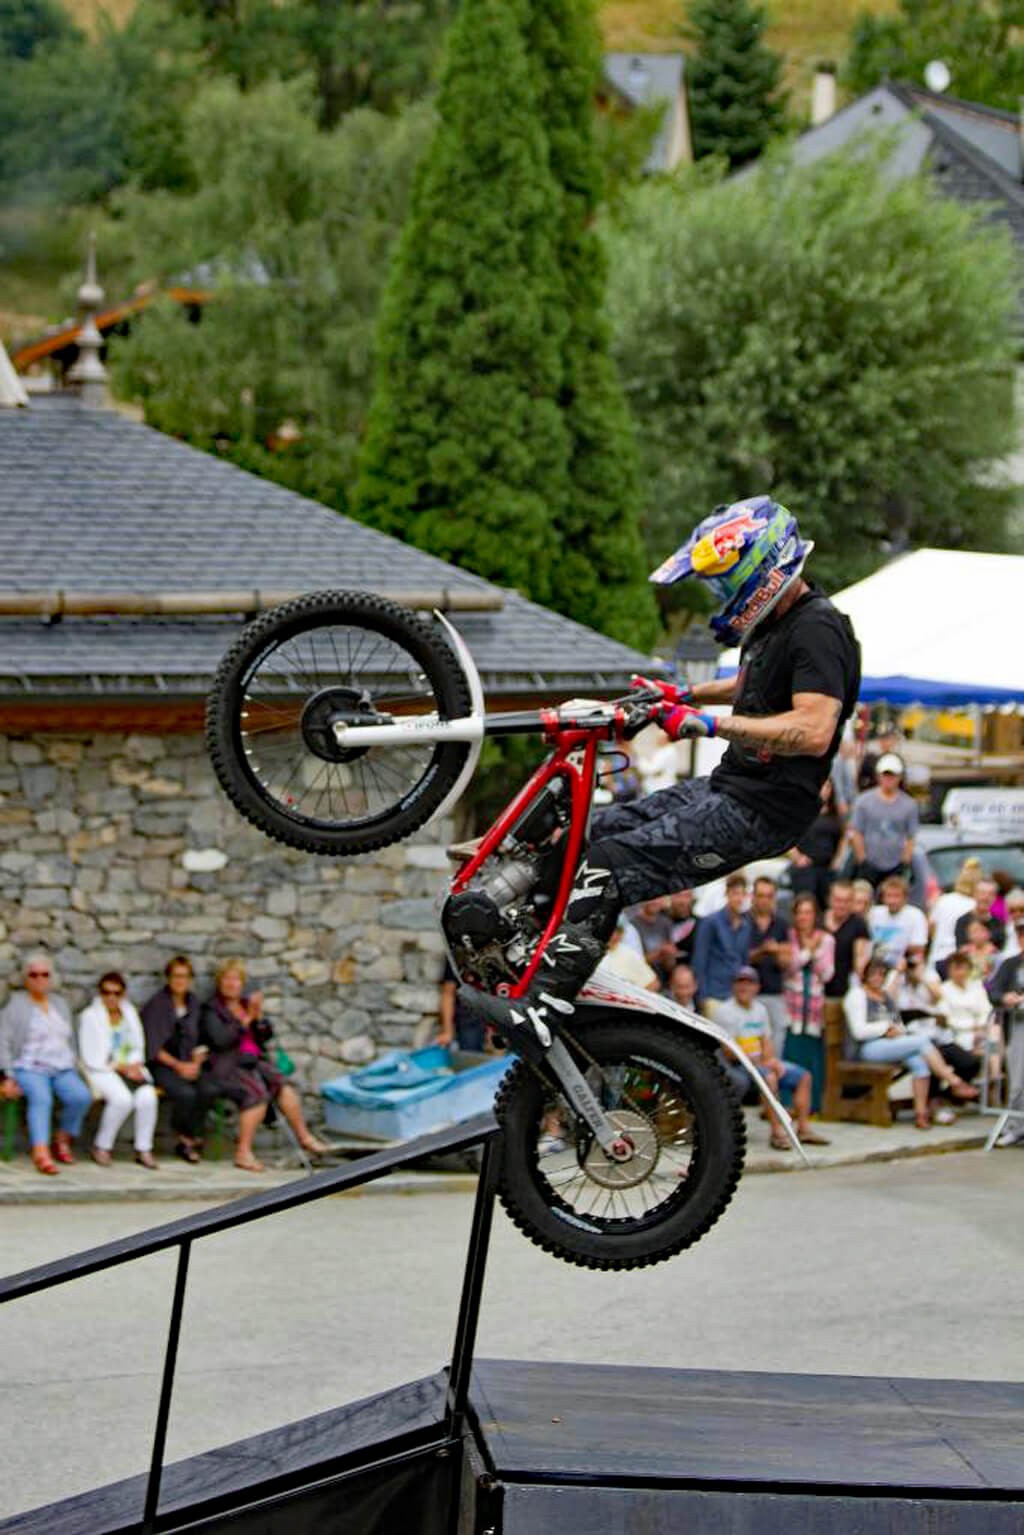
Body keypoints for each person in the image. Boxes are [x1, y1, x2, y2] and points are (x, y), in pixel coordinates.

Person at [466, 497, 861, 1049]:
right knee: (590, 830)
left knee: (606, 867)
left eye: (725, 584)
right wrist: (682, 693)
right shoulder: (779, 622)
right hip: (731, 786)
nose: (720, 598)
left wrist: (704, 722)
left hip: (762, 810)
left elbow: (816, 727)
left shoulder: (819, 628)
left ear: (760, 570)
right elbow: (754, 685)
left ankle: (545, 1008)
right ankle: (523, 952)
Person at [201, 960, 328, 1172]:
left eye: (236, 979)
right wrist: (245, 1021)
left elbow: (266, 1035)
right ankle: (243, 1153)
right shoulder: (212, 1010)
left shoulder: (245, 1005)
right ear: (219, 982)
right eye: (227, 979)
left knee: (283, 1086)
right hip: (227, 1065)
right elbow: (220, 1040)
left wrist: (258, 1017)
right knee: (256, 1094)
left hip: (255, 1061)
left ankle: (305, 1138)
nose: (231, 984)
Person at [844, 954, 979, 1130]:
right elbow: (859, 1030)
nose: (877, 978)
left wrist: (897, 1030)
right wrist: (885, 1028)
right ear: (866, 975)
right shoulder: (857, 995)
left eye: (881, 974)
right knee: (922, 1041)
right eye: (873, 974)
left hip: (890, 1043)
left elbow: (897, 1022)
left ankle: (920, 1113)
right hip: (867, 1047)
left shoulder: (885, 997)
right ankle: (954, 1082)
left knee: (919, 1062)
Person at [716, 967, 830, 1150]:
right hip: (739, 1066)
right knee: (769, 1078)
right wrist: (764, 1064)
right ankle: (777, 1133)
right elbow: (730, 1052)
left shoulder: (760, 1009)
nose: (744, 987)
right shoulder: (725, 1011)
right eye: (740, 982)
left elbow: (766, 1040)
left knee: (804, 1077)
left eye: (749, 983)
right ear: (733, 986)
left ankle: (804, 1128)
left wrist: (771, 1061)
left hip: (760, 1063)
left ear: (757, 987)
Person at [0, 954, 91, 1175]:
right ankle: (41, 1152)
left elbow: (70, 1039)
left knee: (81, 1097)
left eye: (44, 974)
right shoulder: (16, 1004)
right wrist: (7, 1075)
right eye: (34, 975)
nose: (40, 979)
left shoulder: (59, 1004)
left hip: (61, 1066)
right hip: (29, 1066)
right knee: (41, 1098)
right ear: (26, 978)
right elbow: (3, 1040)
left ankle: (62, 1138)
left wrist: (75, 1064)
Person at [142, 955, 221, 1163]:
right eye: (176, 976)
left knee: (209, 1089)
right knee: (185, 1093)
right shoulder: (156, 1006)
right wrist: (179, 1066)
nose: (180, 981)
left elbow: (202, 1039)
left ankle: (193, 1134)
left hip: (189, 1063)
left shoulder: (193, 1003)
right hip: (164, 1064)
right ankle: (185, 1140)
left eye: (185, 977)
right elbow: (153, 1046)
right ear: (168, 978)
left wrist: (195, 1063)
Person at [79, 971, 159, 1169]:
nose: (111, 997)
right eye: (107, 993)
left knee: (148, 1096)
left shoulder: (129, 1013)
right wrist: (120, 1067)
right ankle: (102, 1146)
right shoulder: (90, 1016)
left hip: (130, 1068)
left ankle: (144, 1148)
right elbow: (91, 1055)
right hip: (102, 1069)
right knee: (122, 1099)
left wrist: (133, 1064)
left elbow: (137, 1045)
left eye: (117, 993)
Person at [781, 893, 834, 1112]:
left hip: (813, 1006)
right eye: (800, 912)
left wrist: (815, 953)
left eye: (808, 912)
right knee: (792, 1052)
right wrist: (808, 951)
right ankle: (787, 1103)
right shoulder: (789, 936)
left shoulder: (827, 939)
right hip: (792, 1004)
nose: (804, 917)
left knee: (812, 1056)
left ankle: (811, 1105)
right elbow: (789, 968)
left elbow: (827, 973)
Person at [849, 755, 918, 889]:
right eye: (885, 775)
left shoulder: (909, 805)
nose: (889, 779)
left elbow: (911, 837)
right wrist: (862, 860)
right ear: (878, 776)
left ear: (900, 777)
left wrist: (904, 863)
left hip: (895, 864)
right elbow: (856, 832)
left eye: (893, 775)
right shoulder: (863, 802)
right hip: (869, 863)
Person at [692, 874, 753, 1018]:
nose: (738, 898)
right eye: (734, 893)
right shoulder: (710, 922)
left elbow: (744, 961)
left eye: (741, 894)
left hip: (736, 995)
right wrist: (702, 996)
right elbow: (700, 960)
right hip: (713, 993)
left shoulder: (746, 925)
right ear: (727, 893)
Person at [938, 949, 1000, 1090]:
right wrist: (970, 1028)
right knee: (987, 1047)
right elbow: (946, 1017)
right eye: (956, 968)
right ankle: (990, 1085)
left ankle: (994, 1076)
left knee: (995, 1031)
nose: (960, 972)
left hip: (980, 1030)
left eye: (963, 968)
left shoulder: (976, 986)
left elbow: (986, 1010)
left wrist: (980, 1027)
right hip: (957, 1033)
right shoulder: (943, 989)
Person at [987, 914, 1024, 1146]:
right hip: (1018, 1026)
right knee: (1019, 1081)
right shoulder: (1011, 964)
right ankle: (1016, 1126)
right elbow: (994, 992)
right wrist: (1005, 997)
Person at [787, 776, 845, 911]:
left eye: (828, 786)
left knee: (827, 905)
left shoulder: (835, 814)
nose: (824, 790)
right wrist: (797, 857)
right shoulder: (801, 811)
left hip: (827, 869)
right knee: (806, 904)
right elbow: (786, 835)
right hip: (806, 868)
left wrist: (838, 859)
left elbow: (843, 836)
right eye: (821, 785)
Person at [745, 875, 789, 1052]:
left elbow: (786, 962)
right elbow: (740, 957)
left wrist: (777, 952)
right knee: (750, 1044)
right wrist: (762, 951)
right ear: (753, 897)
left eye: (768, 896)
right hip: (747, 993)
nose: (764, 900)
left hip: (774, 992)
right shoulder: (743, 922)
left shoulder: (782, 924)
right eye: (760, 895)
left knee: (776, 1041)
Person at [823, 878, 871, 1034]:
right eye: (837, 900)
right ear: (830, 899)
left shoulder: (858, 924)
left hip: (844, 991)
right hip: (819, 991)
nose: (841, 905)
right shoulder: (820, 920)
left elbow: (860, 960)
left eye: (846, 901)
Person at [928, 857, 982, 973]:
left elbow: (931, 927)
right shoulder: (974, 906)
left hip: (937, 954)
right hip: (959, 960)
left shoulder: (943, 900)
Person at [869, 874, 928, 970]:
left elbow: (919, 947)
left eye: (896, 896)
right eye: (889, 896)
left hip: (904, 965)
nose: (892, 901)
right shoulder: (874, 913)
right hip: (876, 965)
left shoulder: (915, 915)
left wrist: (894, 948)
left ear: (905, 898)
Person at [627, 898, 678, 986]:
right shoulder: (632, 925)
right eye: (651, 898)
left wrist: (670, 956)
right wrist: (659, 953)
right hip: (642, 981)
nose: (654, 902)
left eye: (658, 898)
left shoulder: (666, 923)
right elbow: (632, 961)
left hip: (662, 981)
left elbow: (670, 965)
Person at [953, 877, 1006, 954]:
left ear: (995, 898)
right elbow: (961, 949)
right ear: (974, 894)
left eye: (990, 894)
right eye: (982, 893)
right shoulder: (962, 921)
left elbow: (998, 950)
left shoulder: (998, 924)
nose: (985, 897)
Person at [666, 888, 701, 970]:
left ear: (692, 898)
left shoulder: (701, 924)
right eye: (678, 895)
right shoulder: (660, 921)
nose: (682, 901)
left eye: (686, 896)